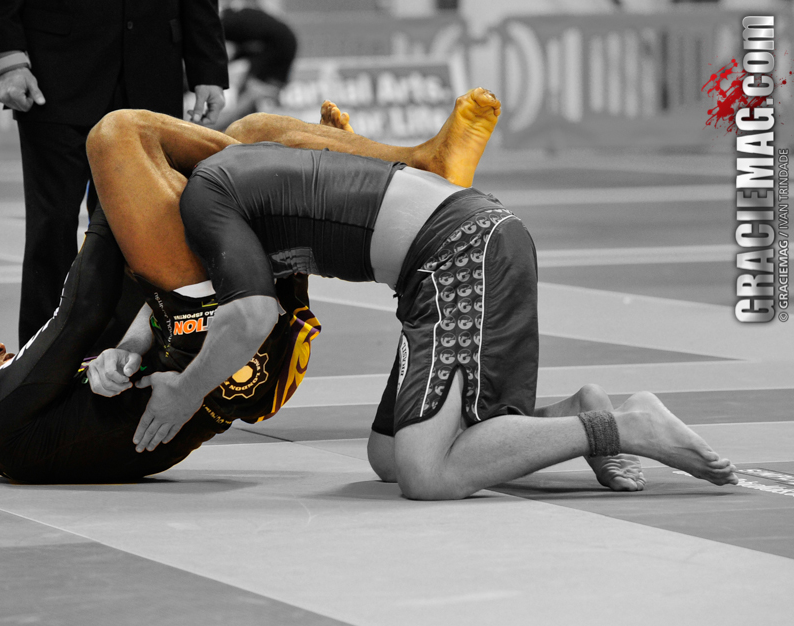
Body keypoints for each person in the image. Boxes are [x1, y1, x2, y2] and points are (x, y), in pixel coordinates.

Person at [95, 88, 740, 501]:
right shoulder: (233, 177)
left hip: (461, 251)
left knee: (428, 473)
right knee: (388, 455)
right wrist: (132, 344)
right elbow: (197, 298)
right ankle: (575, 411)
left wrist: (185, 391)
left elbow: (250, 316)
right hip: (453, 255)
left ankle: (624, 425)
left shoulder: (209, 195)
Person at [0, 90, 494, 484]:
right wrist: (113, 207)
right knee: (115, 137)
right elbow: (78, 312)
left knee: (255, 130)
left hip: (231, 356)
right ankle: (397, 165)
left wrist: (122, 354)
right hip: (213, 349)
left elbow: (105, 341)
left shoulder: (25, 430)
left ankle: (380, 164)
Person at [0, 0, 229, 348]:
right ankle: (40, 360)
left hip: (152, 68)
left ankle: (125, 355)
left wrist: (208, 69)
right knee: (52, 226)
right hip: (57, 72)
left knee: (142, 229)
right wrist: (5, 59)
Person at [214, 0, 298, 130]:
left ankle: (224, 128)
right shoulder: (229, 20)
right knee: (250, 90)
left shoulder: (222, 24)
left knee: (252, 92)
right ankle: (235, 126)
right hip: (271, 42)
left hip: (277, 45)